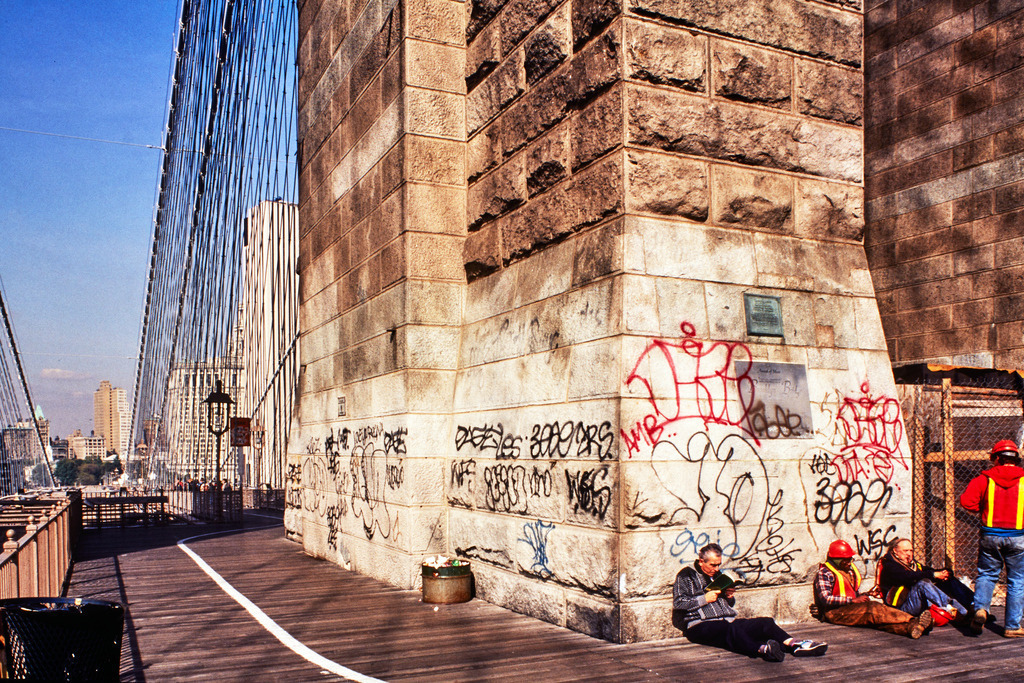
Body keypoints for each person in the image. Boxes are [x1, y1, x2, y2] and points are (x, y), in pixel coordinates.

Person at [673, 543, 827, 661]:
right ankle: (762, 649)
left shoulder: (718, 575)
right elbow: (679, 603)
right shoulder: (686, 575)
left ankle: (794, 644)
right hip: (699, 625)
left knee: (764, 623)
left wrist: (729, 597)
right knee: (730, 630)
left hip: (726, 619)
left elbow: (727, 605)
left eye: (718, 564)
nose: (716, 568)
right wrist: (703, 599)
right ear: (701, 561)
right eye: (713, 565)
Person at [959, 439, 1024, 637]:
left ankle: (981, 609)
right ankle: (1012, 626)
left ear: (996, 459)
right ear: (1016, 459)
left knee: (987, 574)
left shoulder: (984, 479)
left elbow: (966, 502)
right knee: (1017, 580)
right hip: (1018, 538)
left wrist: (983, 508)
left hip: (990, 535)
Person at [813, 539, 933, 638]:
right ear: (837, 559)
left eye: (850, 559)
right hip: (835, 613)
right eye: (846, 560)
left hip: (849, 608)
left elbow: (851, 592)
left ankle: (912, 628)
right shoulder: (824, 573)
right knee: (872, 609)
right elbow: (826, 598)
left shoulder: (848, 571)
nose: (849, 562)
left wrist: (865, 595)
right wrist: (852, 601)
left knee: (877, 620)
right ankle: (913, 620)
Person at [876, 538, 971, 623]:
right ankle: (959, 612)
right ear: (895, 551)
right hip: (901, 608)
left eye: (911, 550)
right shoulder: (890, 566)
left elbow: (926, 570)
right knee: (922, 583)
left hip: (916, 601)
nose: (909, 554)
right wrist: (933, 575)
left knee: (948, 580)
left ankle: (974, 604)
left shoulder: (912, 564)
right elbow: (909, 577)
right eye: (905, 551)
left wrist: (943, 573)